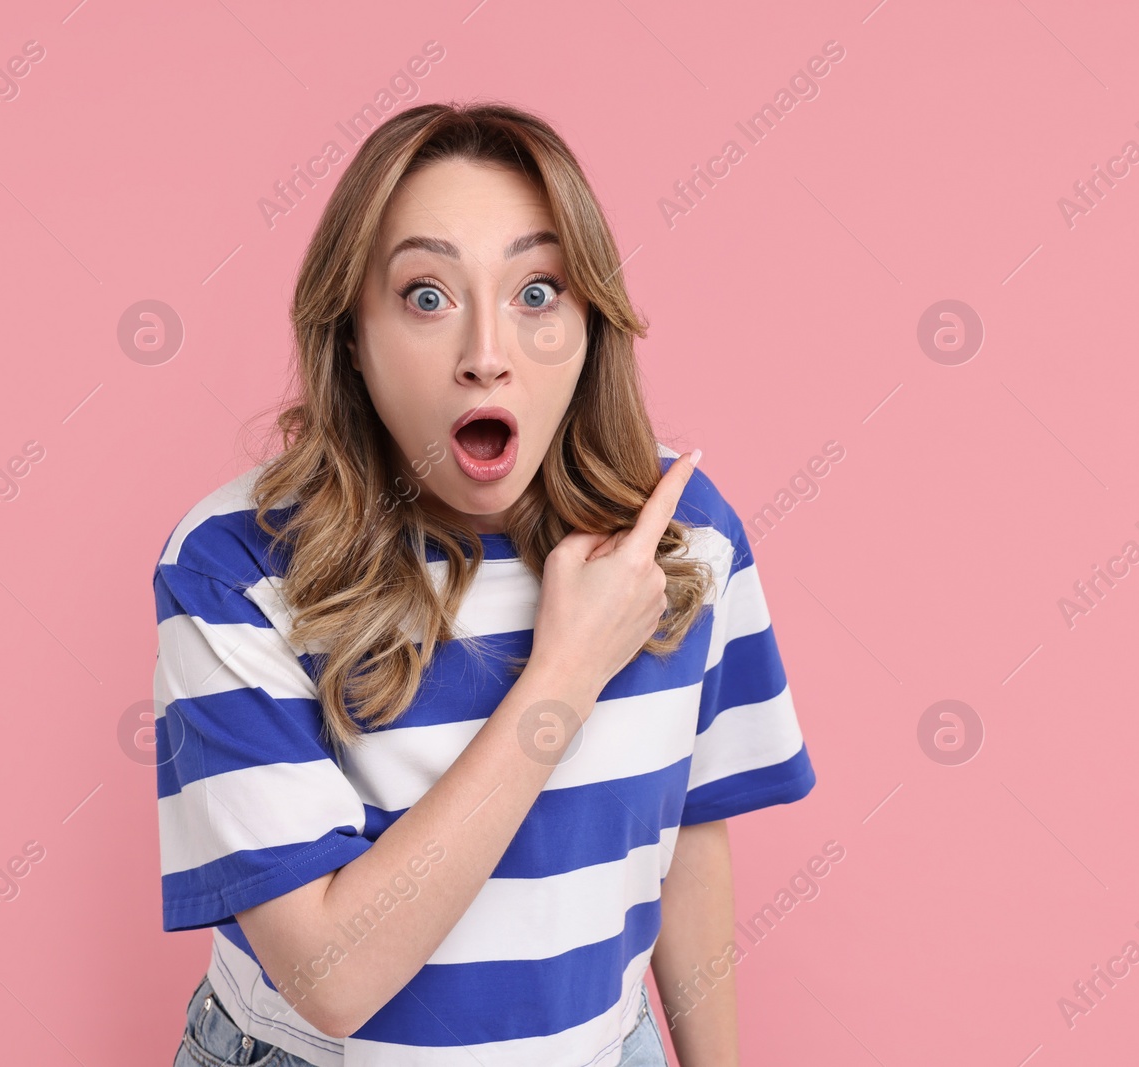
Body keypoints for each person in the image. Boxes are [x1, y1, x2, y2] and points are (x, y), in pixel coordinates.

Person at [151, 101, 816, 1067]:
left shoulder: (681, 532)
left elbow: (687, 834)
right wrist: (566, 672)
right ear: (351, 335)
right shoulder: (232, 563)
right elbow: (332, 979)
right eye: (427, 295)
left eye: (537, 291)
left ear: (591, 320)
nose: (487, 353)